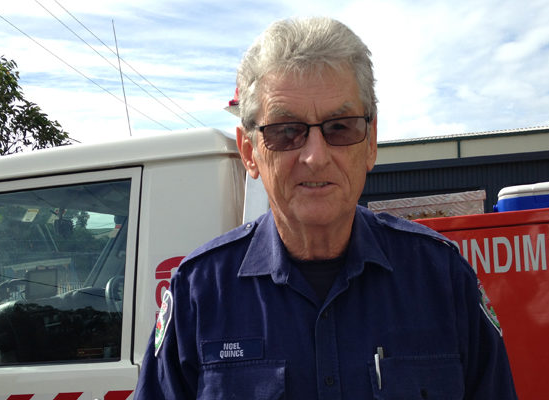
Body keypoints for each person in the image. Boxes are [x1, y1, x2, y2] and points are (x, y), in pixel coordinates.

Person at [135, 17, 517, 399]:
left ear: (371, 143)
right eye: (286, 131)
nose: (315, 157)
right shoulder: (198, 293)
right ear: (249, 152)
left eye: (340, 127)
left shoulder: (443, 280)